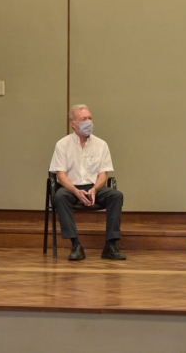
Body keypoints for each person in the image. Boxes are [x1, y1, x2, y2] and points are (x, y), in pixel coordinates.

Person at [49, 104, 126, 261]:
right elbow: (61, 176)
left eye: (90, 118)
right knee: (60, 196)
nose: (88, 122)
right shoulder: (62, 145)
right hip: (70, 188)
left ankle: (111, 245)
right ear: (73, 124)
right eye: (83, 119)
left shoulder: (101, 144)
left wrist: (95, 189)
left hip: (93, 188)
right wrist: (76, 191)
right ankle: (76, 245)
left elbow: (104, 175)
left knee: (116, 195)